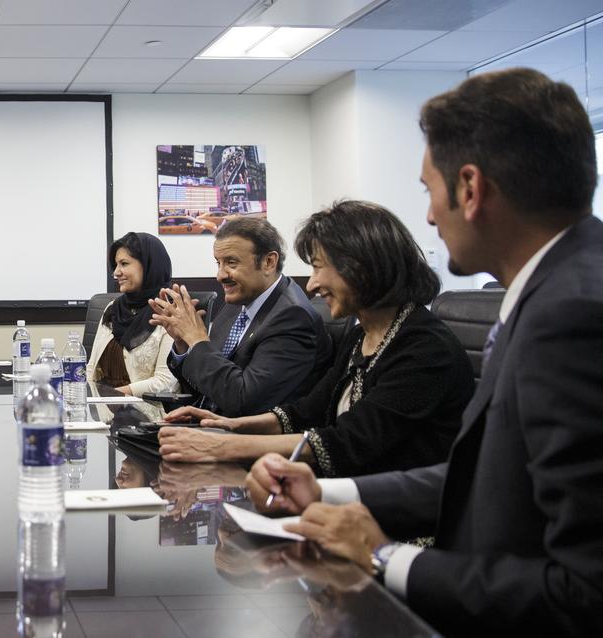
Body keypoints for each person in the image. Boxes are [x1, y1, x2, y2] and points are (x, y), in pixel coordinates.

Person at [245, 68, 603, 636]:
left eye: (428, 191)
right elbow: (483, 476)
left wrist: (385, 556)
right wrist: (329, 489)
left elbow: (585, 592)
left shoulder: (573, 316)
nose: (431, 216)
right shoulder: (556, 289)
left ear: (469, 188)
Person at [157, 201, 473, 475]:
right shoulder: (361, 336)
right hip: (347, 498)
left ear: (364, 268)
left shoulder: (424, 348)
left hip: (396, 524)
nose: (312, 285)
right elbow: (308, 412)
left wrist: (223, 445)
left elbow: (348, 441)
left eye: (319, 268)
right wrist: (229, 425)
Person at [149, 217, 331, 416]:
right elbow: (206, 385)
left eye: (231, 263)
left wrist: (198, 340)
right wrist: (184, 344)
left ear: (269, 262)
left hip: (257, 440)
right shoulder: (237, 304)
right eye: (218, 263)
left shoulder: (293, 317)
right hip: (210, 426)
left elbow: (242, 400)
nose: (220, 275)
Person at [85, 231, 178, 396]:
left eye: (124, 264)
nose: (116, 273)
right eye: (116, 265)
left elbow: (166, 383)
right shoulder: (113, 309)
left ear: (148, 264)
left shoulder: (171, 312)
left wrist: (114, 395)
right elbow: (91, 369)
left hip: (148, 413)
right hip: (102, 409)